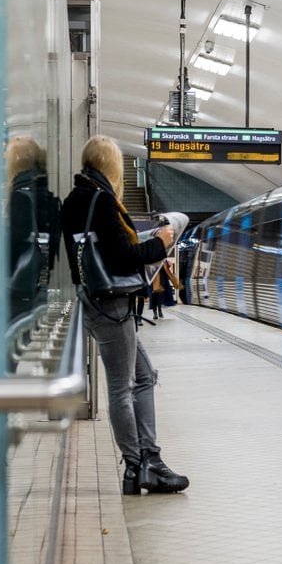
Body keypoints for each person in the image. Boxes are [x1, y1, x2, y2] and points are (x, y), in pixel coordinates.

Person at [60, 135, 189, 495]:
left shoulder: (73, 201)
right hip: (113, 306)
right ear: (111, 164)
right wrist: (161, 243)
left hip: (96, 301)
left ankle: (150, 458)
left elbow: (96, 255)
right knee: (122, 387)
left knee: (144, 376)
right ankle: (137, 465)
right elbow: (124, 257)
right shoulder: (101, 200)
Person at [6, 136, 60, 319]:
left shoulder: (20, 194)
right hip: (44, 282)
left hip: (21, 286)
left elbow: (14, 243)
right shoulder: (48, 194)